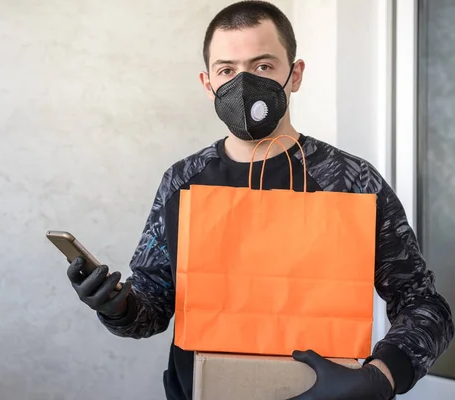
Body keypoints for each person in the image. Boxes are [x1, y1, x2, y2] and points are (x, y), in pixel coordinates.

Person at [66, 1, 454, 399]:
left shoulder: (350, 181)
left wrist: (381, 376)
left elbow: (425, 307)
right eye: (227, 70)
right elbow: (153, 306)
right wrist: (118, 307)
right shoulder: (182, 181)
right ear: (208, 83)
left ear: (296, 74)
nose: (243, 83)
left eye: (263, 66)